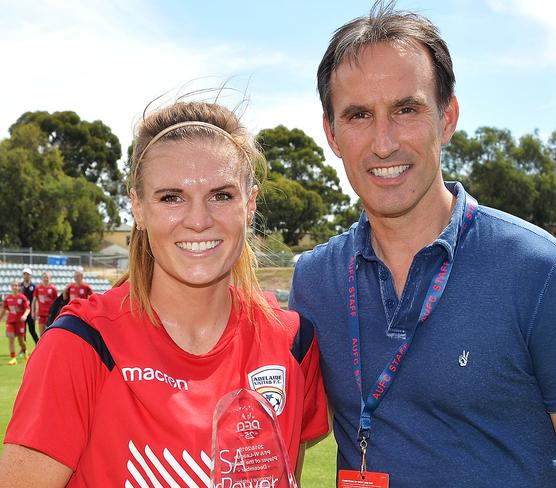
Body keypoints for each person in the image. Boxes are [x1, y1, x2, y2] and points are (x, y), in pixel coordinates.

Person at [289, 2, 556, 487]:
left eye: (406, 109)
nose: (383, 142)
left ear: (447, 117)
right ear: (331, 133)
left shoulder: (540, 271)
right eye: (359, 115)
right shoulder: (315, 280)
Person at [0, 100, 329, 487]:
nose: (198, 220)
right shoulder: (82, 344)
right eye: (170, 197)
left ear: (250, 204)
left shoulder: (292, 343)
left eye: (221, 195)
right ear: (138, 208)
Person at [0, 280, 30, 365]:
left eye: (16, 285)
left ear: (18, 287)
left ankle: (26, 354)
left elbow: (27, 309)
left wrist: (24, 315)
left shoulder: (22, 298)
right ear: (11, 287)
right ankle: (13, 358)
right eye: (13, 285)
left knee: (21, 341)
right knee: (11, 338)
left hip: (20, 322)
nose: (15, 287)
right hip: (10, 322)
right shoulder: (8, 298)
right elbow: (3, 310)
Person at [21, 267, 38, 344]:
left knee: (32, 330)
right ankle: (23, 349)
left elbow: (35, 300)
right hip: (22, 313)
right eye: (24, 274)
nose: (26, 276)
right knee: (22, 331)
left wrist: (34, 312)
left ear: (30, 275)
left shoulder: (34, 286)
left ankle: (38, 344)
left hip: (30, 312)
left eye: (27, 274)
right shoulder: (20, 286)